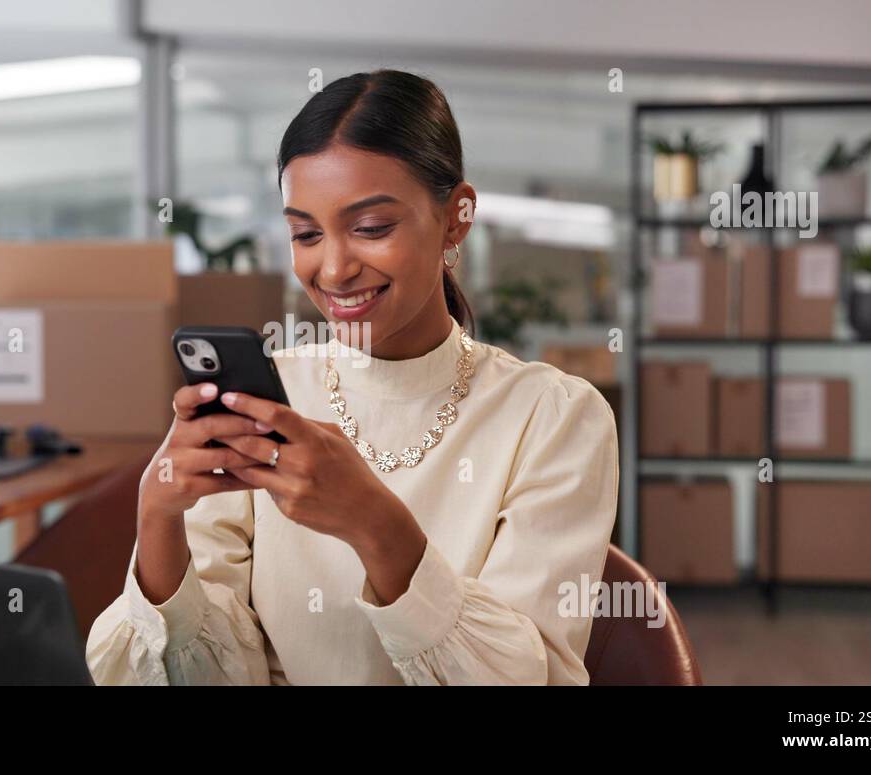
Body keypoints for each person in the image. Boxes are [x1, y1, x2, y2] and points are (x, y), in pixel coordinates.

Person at [87, 69, 618, 685]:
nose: (334, 269)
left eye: (371, 228)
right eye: (305, 234)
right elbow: (211, 675)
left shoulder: (553, 417)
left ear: (455, 219)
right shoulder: (268, 398)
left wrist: (373, 522)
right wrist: (157, 518)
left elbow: (523, 678)